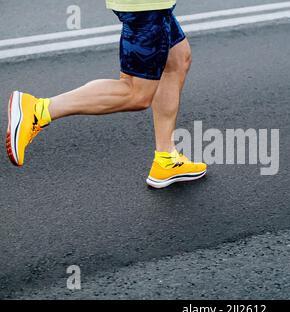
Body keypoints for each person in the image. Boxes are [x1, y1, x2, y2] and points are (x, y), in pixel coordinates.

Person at [5, 0, 207, 189]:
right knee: (136, 92)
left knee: (178, 60)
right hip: (146, 5)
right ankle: (37, 110)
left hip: (152, 5)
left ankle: (166, 159)